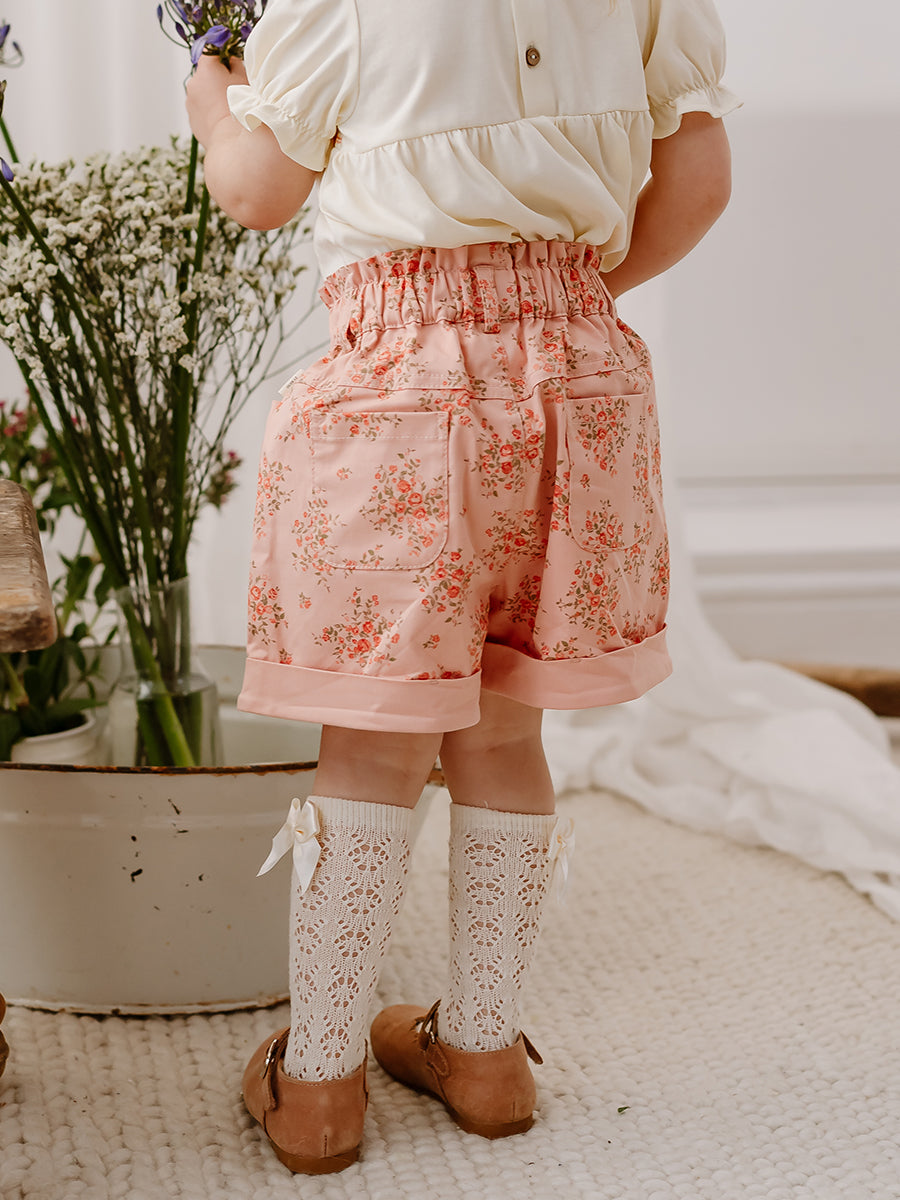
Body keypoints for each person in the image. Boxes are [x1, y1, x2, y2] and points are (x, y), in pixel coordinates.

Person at [186, 0, 736, 1175]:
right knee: (505, 726)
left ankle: (319, 1082)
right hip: (579, 384)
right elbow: (698, 182)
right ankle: (486, 1056)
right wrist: (561, 298)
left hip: (405, 393)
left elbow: (257, 190)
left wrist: (212, 85)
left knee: (374, 745)